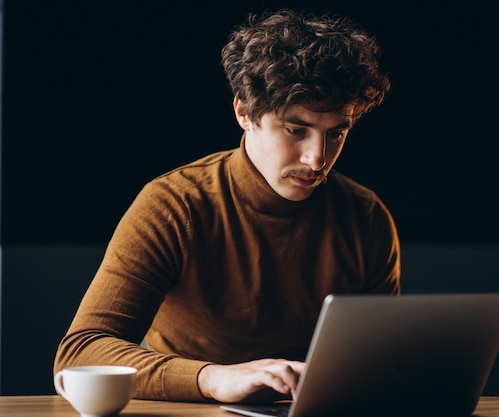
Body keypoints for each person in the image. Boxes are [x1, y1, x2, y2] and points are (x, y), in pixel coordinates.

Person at [54, 8, 400, 403]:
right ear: (244, 113)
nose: (317, 159)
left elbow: (378, 364)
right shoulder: (173, 205)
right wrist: (214, 379)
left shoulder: (366, 217)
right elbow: (79, 353)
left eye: (337, 133)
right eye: (295, 130)